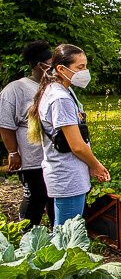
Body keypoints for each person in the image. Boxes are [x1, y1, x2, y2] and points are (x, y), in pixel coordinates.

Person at [26, 44, 110, 227]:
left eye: (85, 66)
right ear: (62, 69)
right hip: (68, 176)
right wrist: (95, 166)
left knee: (65, 229)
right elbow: (76, 145)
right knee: (66, 235)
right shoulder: (60, 98)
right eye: (80, 67)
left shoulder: (62, 89)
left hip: (68, 172)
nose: (84, 72)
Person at [0, 41, 55, 226]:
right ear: (41, 65)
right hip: (31, 157)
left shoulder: (55, 86)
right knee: (35, 197)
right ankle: (27, 236)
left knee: (53, 197)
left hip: (54, 156)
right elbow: (6, 125)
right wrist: (13, 152)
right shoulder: (16, 89)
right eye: (52, 64)